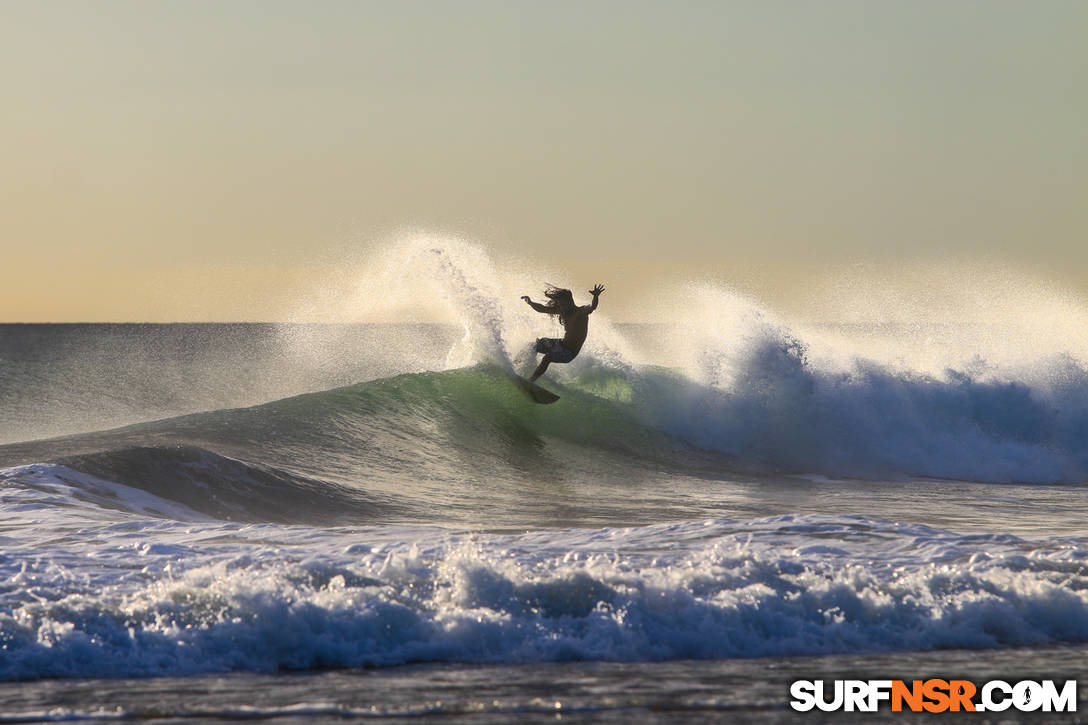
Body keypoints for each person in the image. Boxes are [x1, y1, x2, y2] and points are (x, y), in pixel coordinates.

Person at [521, 283, 604, 382]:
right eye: (559, 303)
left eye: (562, 303)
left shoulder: (580, 312)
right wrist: (530, 302)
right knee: (533, 345)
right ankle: (515, 366)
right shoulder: (563, 311)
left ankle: (531, 381)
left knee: (547, 358)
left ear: (570, 301)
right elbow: (542, 309)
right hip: (560, 343)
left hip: (569, 352)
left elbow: (592, 307)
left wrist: (595, 296)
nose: (560, 305)